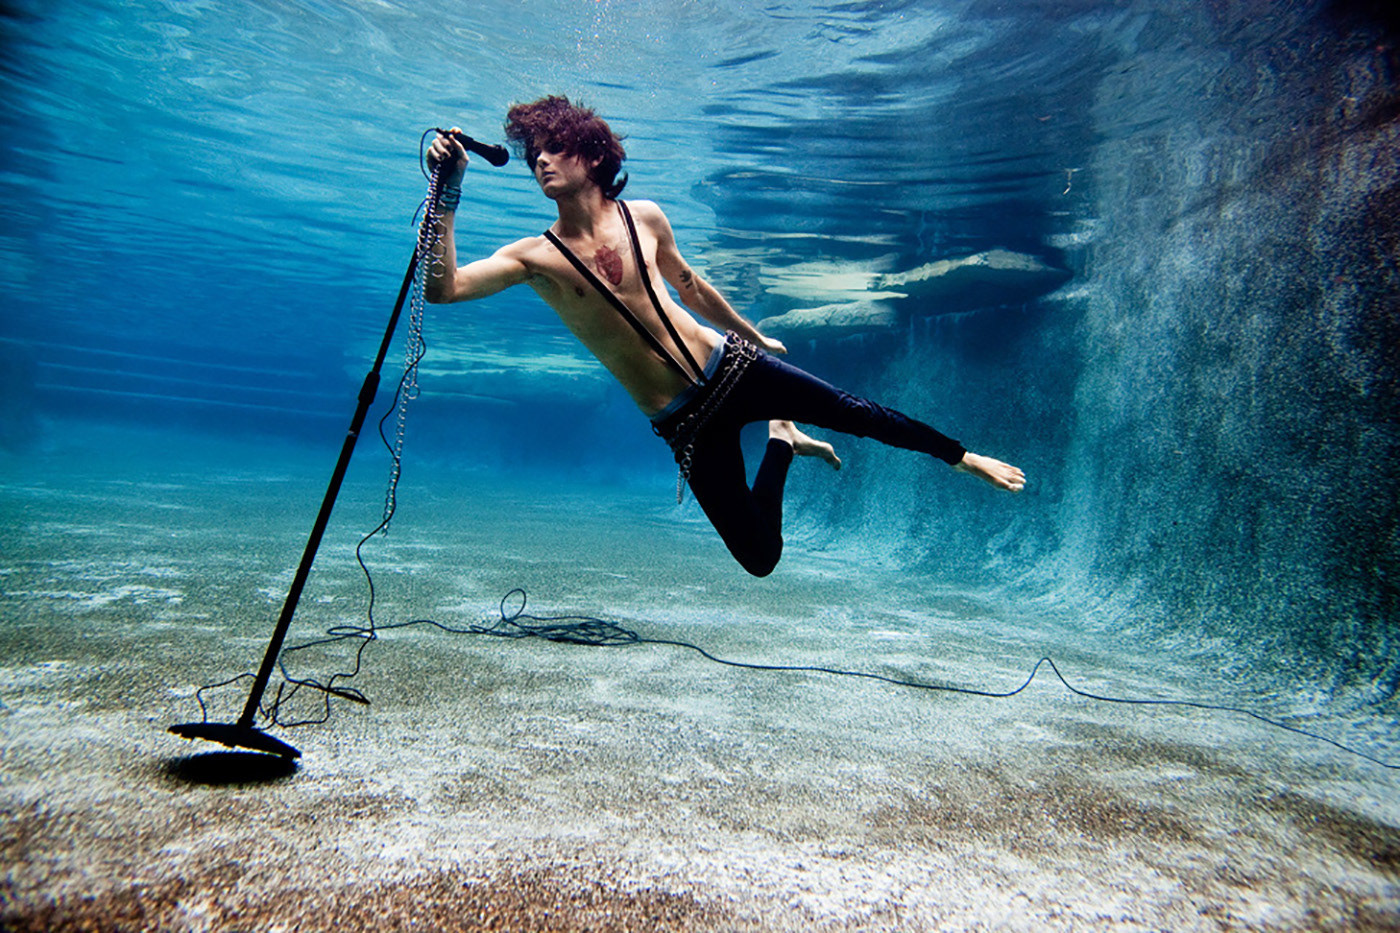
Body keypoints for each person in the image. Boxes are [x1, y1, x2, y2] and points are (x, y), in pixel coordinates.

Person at [424, 95, 1025, 577]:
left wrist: (753, 335)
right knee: (760, 560)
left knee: (855, 412)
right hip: (683, 419)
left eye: (555, 149)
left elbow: (692, 288)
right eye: (534, 156)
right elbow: (443, 288)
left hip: (733, 367)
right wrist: (446, 194)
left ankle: (960, 456)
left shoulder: (646, 216)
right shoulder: (535, 256)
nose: (541, 162)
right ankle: (784, 441)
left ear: (593, 155)